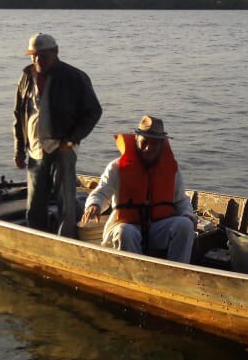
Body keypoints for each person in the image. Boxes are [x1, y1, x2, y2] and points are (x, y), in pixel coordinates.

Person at [14, 33, 102, 239]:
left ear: (55, 53)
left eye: (42, 56)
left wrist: (71, 140)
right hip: (35, 150)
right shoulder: (26, 77)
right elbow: (19, 114)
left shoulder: (74, 77)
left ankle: (67, 240)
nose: (37, 60)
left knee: (66, 204)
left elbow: (93, 111)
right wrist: (18, 149)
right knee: (35, 204)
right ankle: (37, 240)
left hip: (63, 148)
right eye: (33, 56)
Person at [81, 115, 196, 263]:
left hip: (156, 228)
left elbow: (181, 200)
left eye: (154, 144)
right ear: (136, 139)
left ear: (162, 144)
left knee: (185, 226)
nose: (149, 148)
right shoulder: (117, 167)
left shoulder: (172, 169)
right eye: (144, 142)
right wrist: (94, 205)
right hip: (126, 226)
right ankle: (134, 275)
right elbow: (102, 191)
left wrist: (187, 215)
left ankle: (178, 271)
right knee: (126, 232)